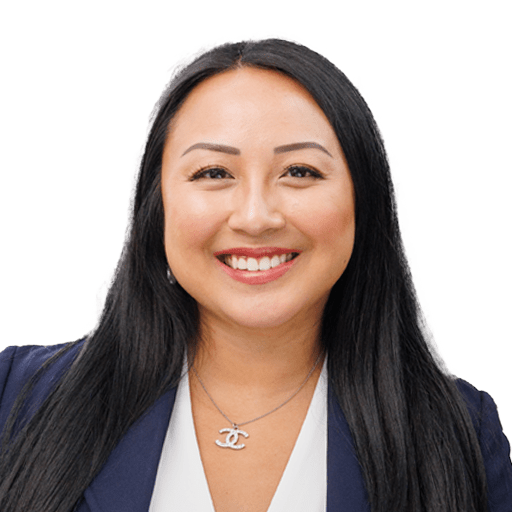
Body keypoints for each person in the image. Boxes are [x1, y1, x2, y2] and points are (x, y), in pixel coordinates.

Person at [0, 35, 511, 512]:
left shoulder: (461, 433)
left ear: (364, 201)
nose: (255, 217)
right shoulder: (15, 398)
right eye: (214, 173)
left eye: (300, 172)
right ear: (158, 206)